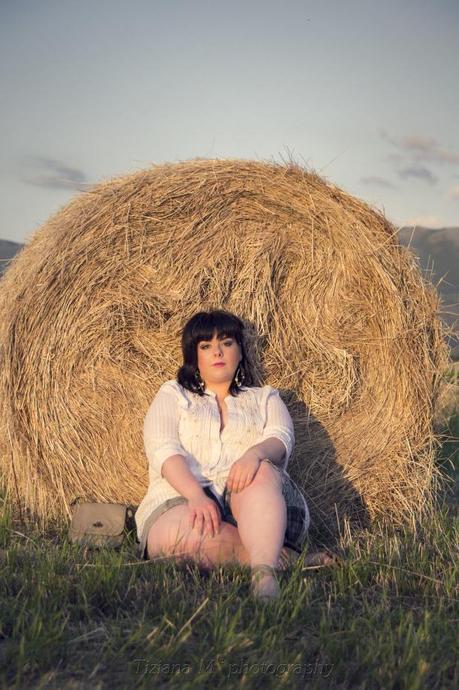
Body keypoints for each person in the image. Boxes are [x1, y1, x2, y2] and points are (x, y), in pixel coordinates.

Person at [135, 309, 334, 601]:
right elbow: (162, 448)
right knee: (175, 539)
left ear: (240, 351)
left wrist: (254, 454)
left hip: (256, 500)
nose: (217, 351)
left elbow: (281, 438)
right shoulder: (174, 395)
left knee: (261, 470)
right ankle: (281, 557)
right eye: (206, 346)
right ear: (195, 357)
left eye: (227, 342)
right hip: (180, 500)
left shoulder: (265, 397)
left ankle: (264, 576)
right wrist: (196, 495)